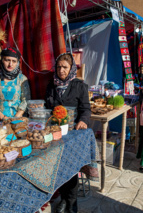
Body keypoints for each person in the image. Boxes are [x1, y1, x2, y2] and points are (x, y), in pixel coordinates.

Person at [45, 52, 91, 213]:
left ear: (71, 68)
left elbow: (86, 109)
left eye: (65, 67)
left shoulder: (79, 86)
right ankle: (63, 199)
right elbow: (47, 107)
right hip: (56, 133)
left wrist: (83, 120)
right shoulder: (52, 85)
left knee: (72, 170)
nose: (61, 70)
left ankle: (71, 202)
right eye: (58, 67)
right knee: (59, 168)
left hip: (72, 134)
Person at [0, 47, 31, 125]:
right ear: (2, 61)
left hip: (18, 120)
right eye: (7, 60)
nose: (10, 64)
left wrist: (15, 118)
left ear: (18, 63)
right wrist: (3, 117)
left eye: (14, 61)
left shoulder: (22, 79)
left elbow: (26, 100)